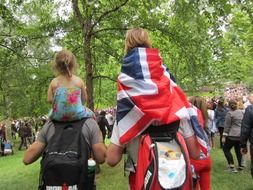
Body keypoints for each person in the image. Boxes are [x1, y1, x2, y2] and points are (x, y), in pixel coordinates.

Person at [106, 28, 199, 190]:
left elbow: (112, 159)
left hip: (142, 181)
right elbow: (195, 153)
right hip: (177, 181)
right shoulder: (176, 109)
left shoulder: (127, 113)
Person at [23, 118, 107, 186]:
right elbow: (101, 158)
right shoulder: (90, 123)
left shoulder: (49, 125)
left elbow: (27, 159)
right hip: (83, 184)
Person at [47, 50, 91, 121]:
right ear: (73, 64)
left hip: (58, 116)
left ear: (56, 65)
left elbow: (49, 100)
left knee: (45, 128)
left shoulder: (54, 82)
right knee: (93, 116)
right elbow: (84, 99)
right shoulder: (79, 81)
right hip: (77, 114)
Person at [189, 96, 211, 190]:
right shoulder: (205, 119)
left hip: (194, 160)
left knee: (193, 186)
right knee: (206, 187)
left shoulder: (188, 119)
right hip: (206, 159)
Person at [222, 99, 244, 172]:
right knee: (238, 150)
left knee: (226, 149)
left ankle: (231, 166)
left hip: (232, 135)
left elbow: (227, 126)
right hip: (240, 135)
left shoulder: (229, 113)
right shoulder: (241, 112)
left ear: (229, 106)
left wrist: (224, 136)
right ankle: (240, 166)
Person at [240, 104, 253, 177]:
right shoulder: (250, 109)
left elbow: (245, 128)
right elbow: (245, 128)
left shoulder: (250, 109)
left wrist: (243, 144)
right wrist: (243, 144)